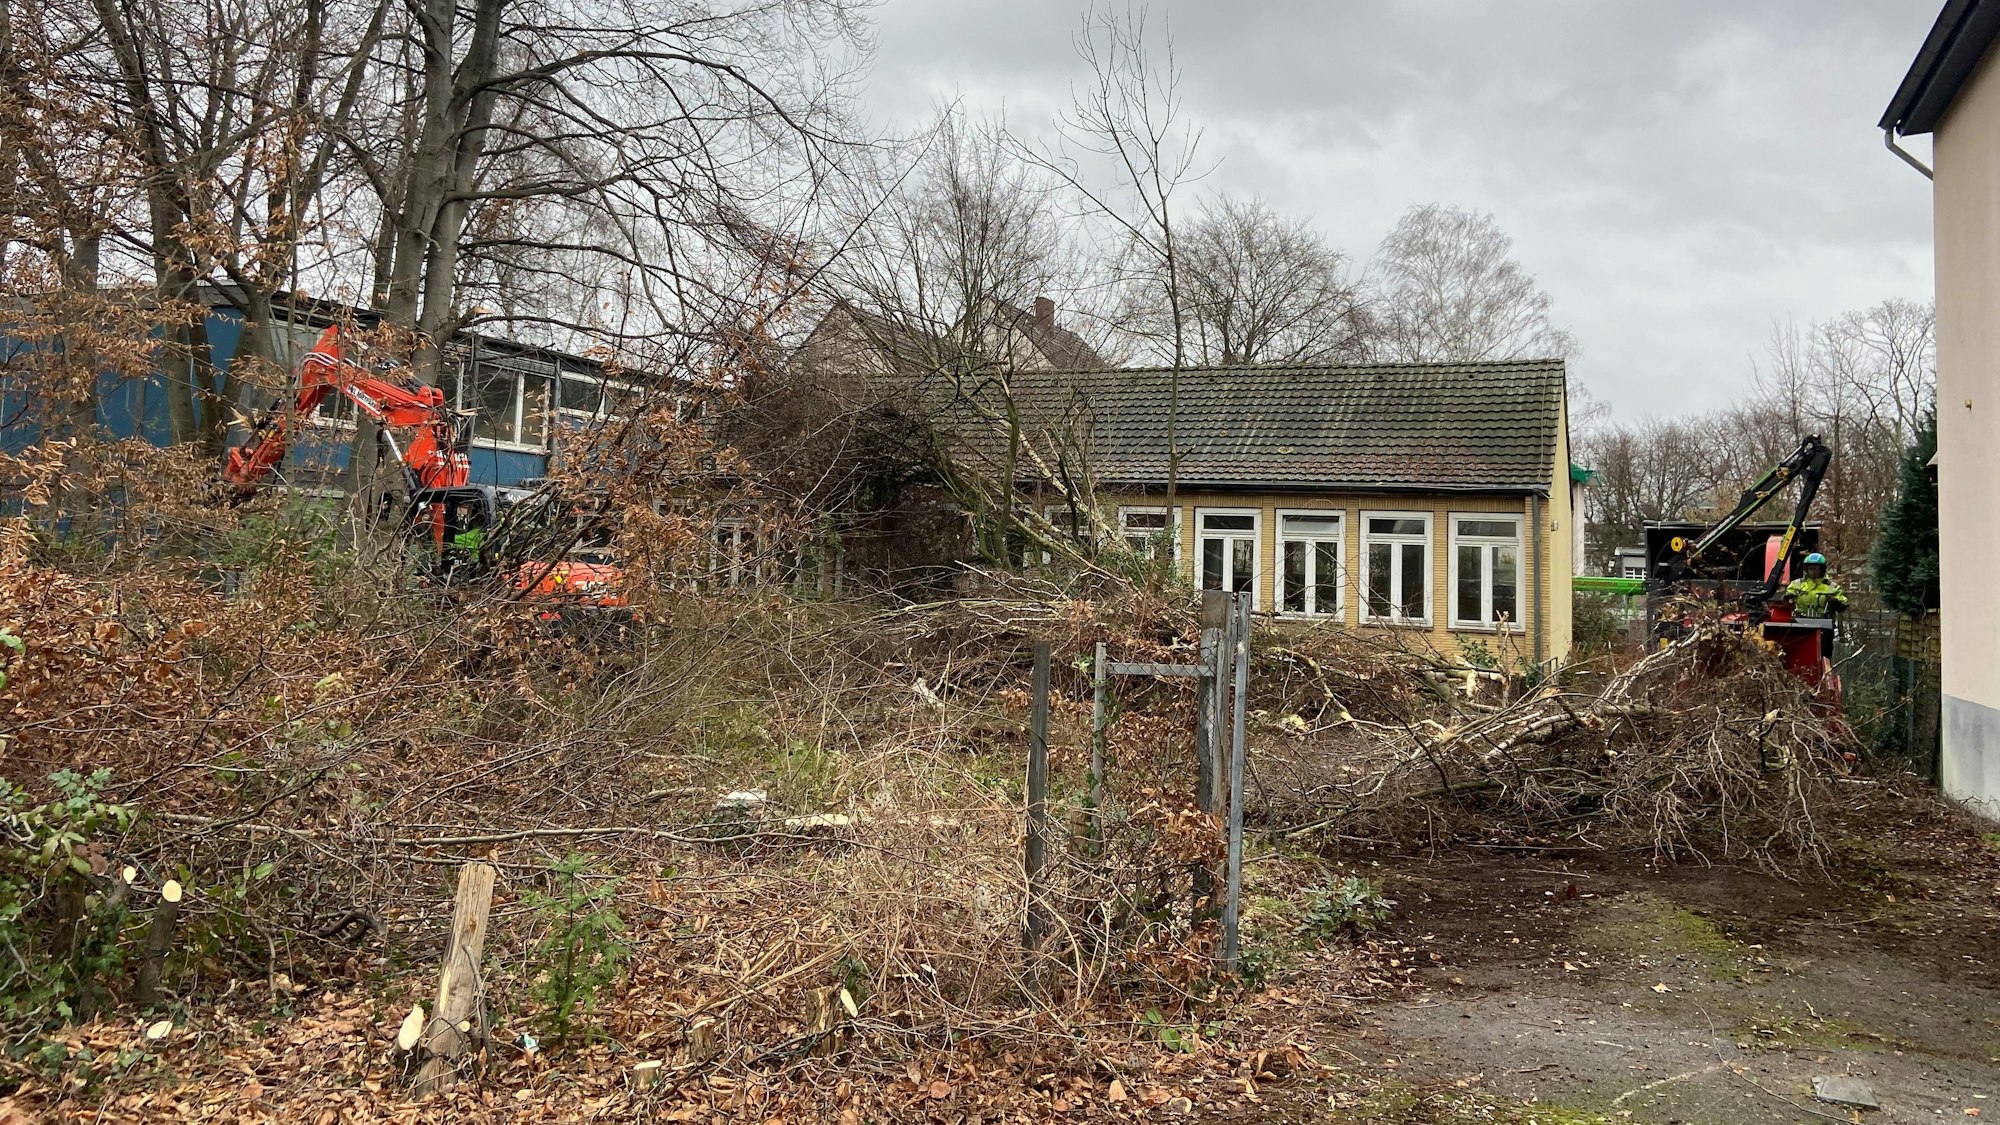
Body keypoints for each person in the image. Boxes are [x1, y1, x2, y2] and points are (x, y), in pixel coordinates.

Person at [1784, 552, 1848, 618]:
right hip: (1800, 623)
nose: (1813, 572)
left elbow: (1844, 603)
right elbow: (1787, 596)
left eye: (1816, 569)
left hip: (1824, 624)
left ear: (1822, 569)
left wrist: (1835, 602)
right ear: (1806, 569)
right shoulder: (1797, 584)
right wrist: (1788, 597)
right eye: (1810, 569)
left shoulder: (1832, 586)